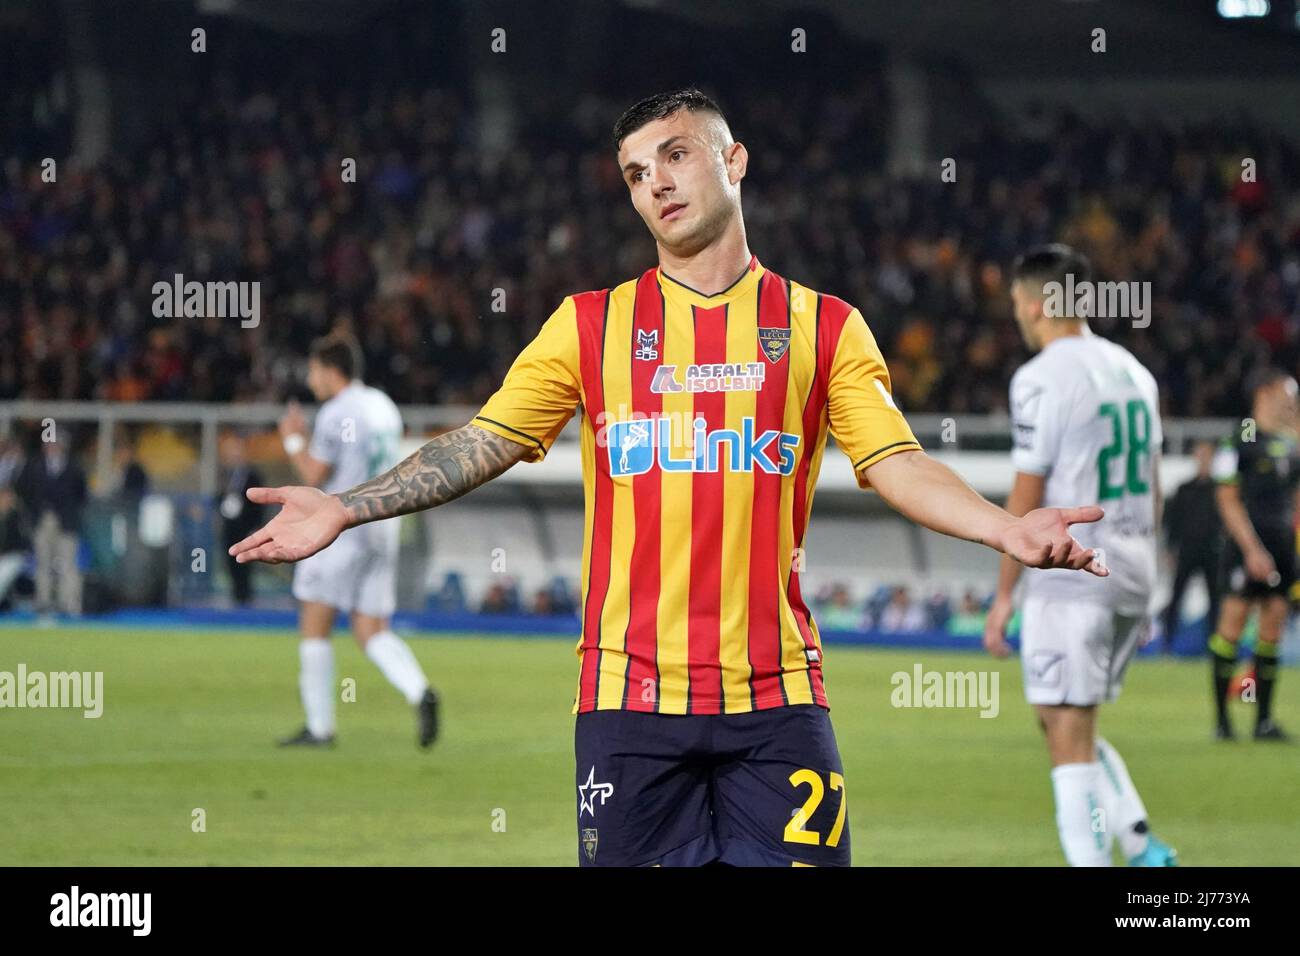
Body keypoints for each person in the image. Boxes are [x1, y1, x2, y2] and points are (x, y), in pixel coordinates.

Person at [231, 90, 1106, 867]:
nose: (655, 181)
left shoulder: (823, 327)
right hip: (626, 702)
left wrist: (1004, 527)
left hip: (778, 698)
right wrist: (345, 506)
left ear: (734, 162)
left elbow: (897, 463)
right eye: (635, 171)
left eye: (676, 155)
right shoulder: (589, 325)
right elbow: (483, 440)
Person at [984, 244, 1177, 866]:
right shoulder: (1134, 372)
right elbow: (1152, 483)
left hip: (1075, 572)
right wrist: (1150, 574)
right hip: (1133, 567)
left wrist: (1005, 593)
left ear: (1038, 303)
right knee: (1066, 718)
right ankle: (1145, 846)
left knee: (1066, 733)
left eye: (1017, 303)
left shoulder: (1040, 377)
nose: (1017, 315)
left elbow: (1026, 493)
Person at [275, 333, 440, 749]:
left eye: (314, 371)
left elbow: (314, 475)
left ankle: (319, 728)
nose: (311, 380)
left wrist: (294, 439)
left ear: (332, 371)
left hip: (338, 527)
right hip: (381, 526)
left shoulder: (336, 413)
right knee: (371, 628)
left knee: (315, 625)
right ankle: (419, 690)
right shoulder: (383, 406)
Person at [1206, 369, 1299, 742]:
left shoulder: (1291, 445)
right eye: (1287, 394)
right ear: (1264, 393)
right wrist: (1251, 550)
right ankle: (1223, 722)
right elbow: (1227, 500)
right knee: (1231, 627)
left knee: (1272, 629)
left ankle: (1263, 721)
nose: (1292, 402)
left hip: (1281, 548)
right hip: (1246, 548)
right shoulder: (1244, 435)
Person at [1159, 440, 1222, 652]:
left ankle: (1214, 646)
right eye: (1201, 454)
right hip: (1187, 550)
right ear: (1195, 457)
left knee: (1215, 600)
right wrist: (1169, 548)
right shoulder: (1184, 489)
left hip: (1212, 552)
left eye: (1208, 455)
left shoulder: (1219, 490)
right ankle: (1167, 643)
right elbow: (1171, 521)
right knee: (1176, 597)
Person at [19, 434, 86, 618]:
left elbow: (81, 493)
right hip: (43, 519)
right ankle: (43, 602)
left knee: (68, 562)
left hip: (66, 520)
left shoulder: (74, 466)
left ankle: (69, 602)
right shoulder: (34, 466)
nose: (51, 447)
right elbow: (24, 489)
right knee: (42, 562)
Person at [217, 431, 264, 607]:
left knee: (246, 562)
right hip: (230, 526)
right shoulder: (225, 474)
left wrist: (257, 526)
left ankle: (246, 598)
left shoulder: (252, 475)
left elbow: (259, 503)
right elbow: (221, 497)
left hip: (246, 526)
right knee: (231, 561)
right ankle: (236, 595)